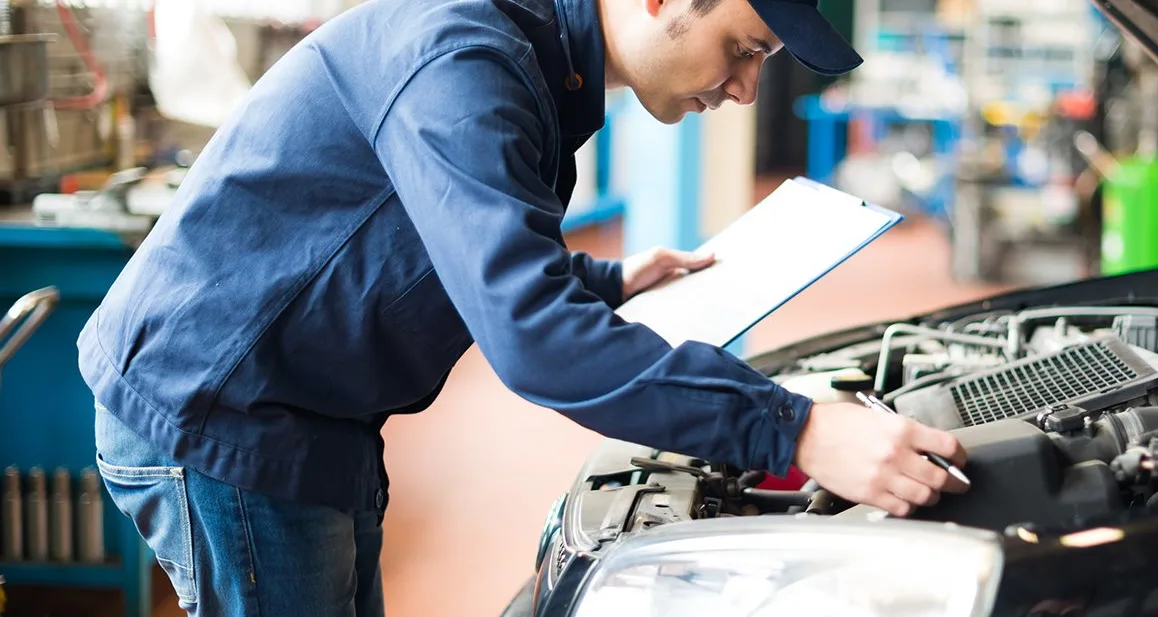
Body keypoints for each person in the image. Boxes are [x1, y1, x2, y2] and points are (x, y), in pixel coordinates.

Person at [80, 0, 971, 613]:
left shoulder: (542, 67)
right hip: (221, 408)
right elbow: (533, 342)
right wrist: (800, 430)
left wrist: (609, 282)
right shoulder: (465, 57)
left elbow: (442, 243)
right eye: (744, 49)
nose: (743, 88)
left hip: (310, 408)